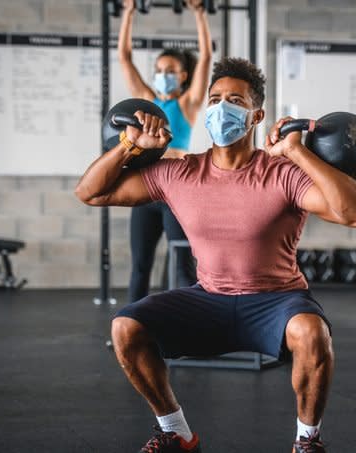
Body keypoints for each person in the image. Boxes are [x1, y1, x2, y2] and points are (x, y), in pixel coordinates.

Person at [75, 57, 356, 452]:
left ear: (256, 116)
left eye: (235, 100)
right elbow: (90, 192)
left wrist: (299, 153)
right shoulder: (179, 172)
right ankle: (177, 432)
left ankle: (307, 441)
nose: (221, 107)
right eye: (215, 99)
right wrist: (130, 145)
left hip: (277, 301)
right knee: (125, 328)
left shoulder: (281, 173)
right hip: (209, 298)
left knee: (312, 332)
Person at [118, 0, 212, 302]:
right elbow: (124, 57)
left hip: (175, 193)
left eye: (169, 70)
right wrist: (129, 12)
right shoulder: (147, 101)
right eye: (158, 70)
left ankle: (182, 331)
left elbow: (207, 56)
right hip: (144, 191)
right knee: (140, 267)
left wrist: (199, 12)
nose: (162, 75)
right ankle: (132, 329)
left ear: (183, 75)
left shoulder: (187, 104)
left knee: (181, 267)